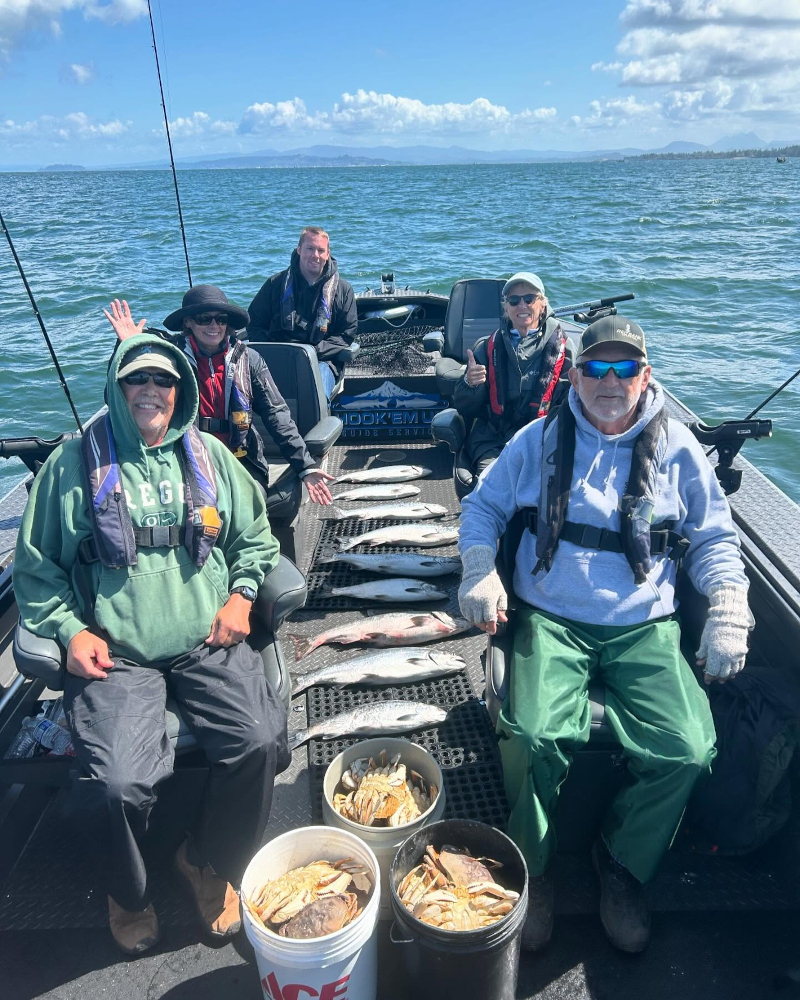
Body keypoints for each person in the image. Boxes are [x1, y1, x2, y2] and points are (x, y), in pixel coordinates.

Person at [457, 315, 753, 953]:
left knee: (690, 747)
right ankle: (531, 868)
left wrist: (729, 604)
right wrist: (482, 571)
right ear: (576, 373)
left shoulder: (679, 450)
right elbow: (481, 507)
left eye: (625, 368)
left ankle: (620, 863)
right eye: (597, 367)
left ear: (646, 377)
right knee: (534, 735)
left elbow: (715, 539)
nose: (610, 381)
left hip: (645, 626)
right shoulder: (536, 441)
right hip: (552, 618)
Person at [13, 335, 290, 955]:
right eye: (137, 379)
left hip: (206, 639)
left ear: (180, 390)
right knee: (116, 784)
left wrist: (242, 595)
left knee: (261, 740)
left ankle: (208, 861)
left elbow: (255, 538)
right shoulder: (71, 465)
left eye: (163, 381)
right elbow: (35, 570)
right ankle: (128, 891)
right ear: (117, 386)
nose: (150, 391)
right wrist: (68, 629)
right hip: (119, 654)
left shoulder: (211, 455)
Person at [105, 286, 335, 505]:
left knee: (244, 506)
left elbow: (277, 415)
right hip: (183, 458)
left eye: (221, 319)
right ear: (188, 323)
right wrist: (126, 347)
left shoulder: (249, 359)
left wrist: (305, 466)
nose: (213, 325)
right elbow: (117, 398)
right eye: (204, 318)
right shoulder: (169, 358)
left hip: (241, 459)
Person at [452, 271, 576, 477]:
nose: (522, 305)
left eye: (529, 299)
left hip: (546, 441)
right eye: (514, 300)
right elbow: (466, 407)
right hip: (495, 440)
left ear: (542, 304)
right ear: (506, 308)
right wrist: (469, 384)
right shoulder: (485, 348)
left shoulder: (566, 349)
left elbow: (573, 406)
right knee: (490, 483)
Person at [247, 226, 358, 399]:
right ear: (299, 250)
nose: (315, 255)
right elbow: (254, 324)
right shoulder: (274, 284)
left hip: (322, 361)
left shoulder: (343, 290)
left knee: (314, 395)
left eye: (321, 250)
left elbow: (346, 334)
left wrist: (310, 353)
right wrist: (276, 352)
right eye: (310, 248)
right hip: (278, 358)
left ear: (328, 254)